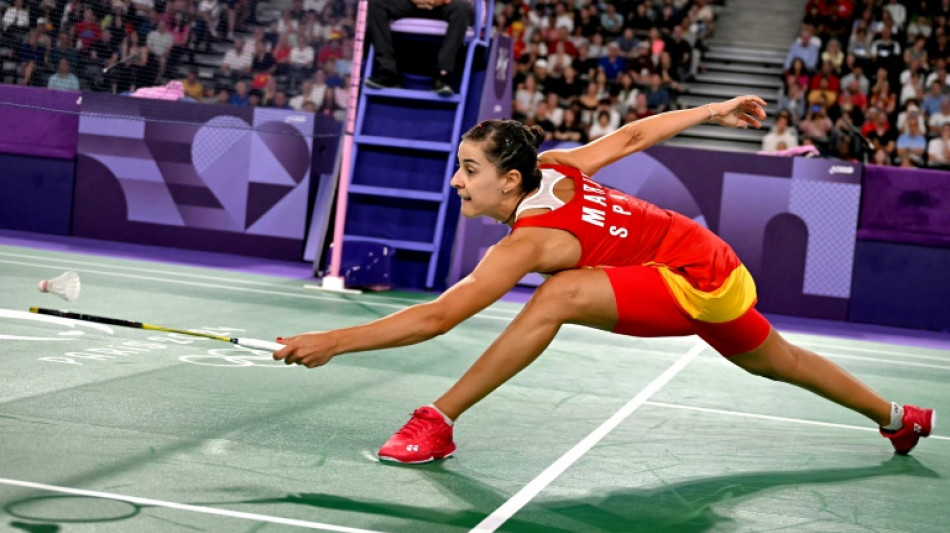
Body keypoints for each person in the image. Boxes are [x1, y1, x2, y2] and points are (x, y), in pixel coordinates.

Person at [273, 95, 935, 464]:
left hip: (691, 277)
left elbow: (440, 315)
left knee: (557, 293)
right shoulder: (553, 168)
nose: (456, 181)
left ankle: (437, 419)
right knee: (778, 360)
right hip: (708, 260)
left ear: (509, 179)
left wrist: (336, 338)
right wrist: (710, 111)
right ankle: (898, 417)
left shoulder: (527, 241)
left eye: (468, 169)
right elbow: (630, 137)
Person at [364, 0, 472, 96]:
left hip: (444, 4)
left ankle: (443, 76)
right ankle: (388, 72)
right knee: (376, 3)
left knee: (462, 9)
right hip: (411, 3)